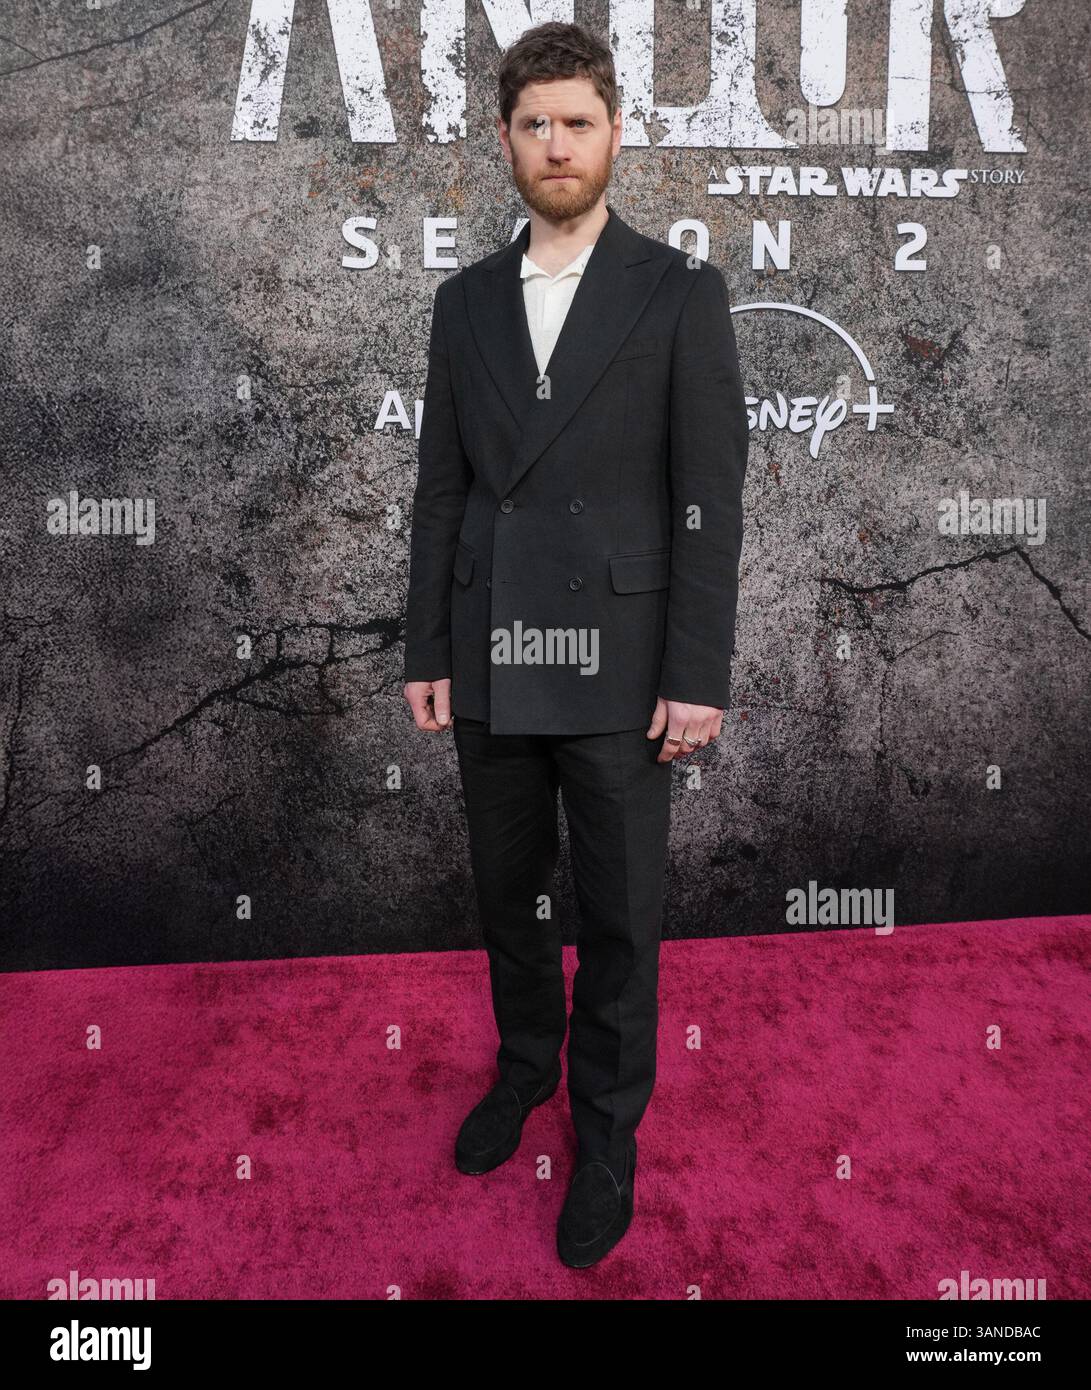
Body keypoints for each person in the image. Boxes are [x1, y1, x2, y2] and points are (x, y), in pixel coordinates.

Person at [403, 20, 748, 1268]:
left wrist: (694, 676)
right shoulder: (461, 303)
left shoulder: (677, 293)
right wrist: (424, 648)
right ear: (504, 139)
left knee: (616, 917)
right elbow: (440, 492)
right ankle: (523, 1072)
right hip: (490, 657)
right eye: (534, 124)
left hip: (619, 666)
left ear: (614, 135)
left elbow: (709, 500)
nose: (556, 145)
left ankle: (604, 1139)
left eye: (578, 123)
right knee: (507, 902)